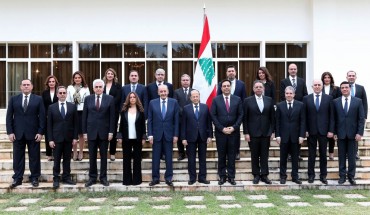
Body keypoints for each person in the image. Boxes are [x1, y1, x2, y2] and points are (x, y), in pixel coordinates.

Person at [6, 79, 46, 188]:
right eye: (24, 85)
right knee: (18, 157)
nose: (26, 86)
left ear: (32, 86)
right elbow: (9, 117)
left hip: (34, 134)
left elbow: (42, 117)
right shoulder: (14, 99)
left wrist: (40, 132)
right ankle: (18, 178)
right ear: (21, 87)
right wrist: (10, 132)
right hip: (17, 133)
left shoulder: (38, 99)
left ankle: (34, 177)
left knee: (34, 157)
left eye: (28, 85)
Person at [82, 79, 115, 187]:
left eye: (100, 87)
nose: (98, 89)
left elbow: (112, 117)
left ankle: (103, 178)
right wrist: (84, 132)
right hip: (91, 132)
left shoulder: (109, 99)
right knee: (92, 156)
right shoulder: (88, 99)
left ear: (103, 87)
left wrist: (111, 132)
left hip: (104, 132)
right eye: (96, 87)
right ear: (93, 88)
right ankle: (92, 178)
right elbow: (84, 117)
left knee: (104, 156)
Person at [211, 79, 243, 186]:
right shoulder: (216, 100)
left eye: (227, 86)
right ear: (221, 88)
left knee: (232, 156)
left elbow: (240, 115)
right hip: (221, 133)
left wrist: (234, 127)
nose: (226, 88)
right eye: (224, 86)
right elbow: (213, 116)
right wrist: (221, 128)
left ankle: (231, 177)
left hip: (234, 133)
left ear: (230, 87)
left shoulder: (237, 99)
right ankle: (222, 177)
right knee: (221, 156)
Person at [243, 80, 275, 184]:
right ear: (253, 89)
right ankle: (256, 175)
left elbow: (272, 118)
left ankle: (265, 175)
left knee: (265, 155)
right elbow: (245, 118)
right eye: (256, 87)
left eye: (260, 87)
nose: (258, 89)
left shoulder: (269, 100)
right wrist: (246, 133)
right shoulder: (247, 101)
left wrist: (272, 131)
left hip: (266, 133)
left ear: (263, 88)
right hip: (253, 134)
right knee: (255, 155)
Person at [333, 81, 365, 185]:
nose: (344, 89)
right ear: (340, 89)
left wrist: (359, 133)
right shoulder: (336, 102)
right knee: (341, 156)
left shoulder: (358, 101)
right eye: (342, 88)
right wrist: (334, 132)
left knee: (352, 157)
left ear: (349, 88)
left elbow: (361, 119)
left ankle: (351, 177)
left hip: (353, 134)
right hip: (340, 133)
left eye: (346, 87)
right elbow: (334, 119)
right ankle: (342, 177)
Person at [303, 79, 334, 184]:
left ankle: (323, 176)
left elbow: (331, 116)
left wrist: (331, 130)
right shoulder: (306, 98)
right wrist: (305, 130)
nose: (317, 86)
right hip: (311, 131)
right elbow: (304, 117)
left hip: (324, 131)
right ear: (312, 87)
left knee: (323, 155)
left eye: (319, 85)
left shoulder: (329, 98)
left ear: (322, 86)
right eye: (315, 85)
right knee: (311, 155)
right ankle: (311, 175)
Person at [147, 84, 179, 186]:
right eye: (161, 91)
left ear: (168, 92)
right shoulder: (152, 103)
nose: (163, 93)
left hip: (169, 135)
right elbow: (150, 120)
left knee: (169, 158)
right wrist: (150, 134)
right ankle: (155, 178)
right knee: (155, 158)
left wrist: (176, 135)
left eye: (165, 91)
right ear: (158, 92)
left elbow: (176, 121)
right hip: (156, 135)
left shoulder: (174, 102)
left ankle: (168, 178)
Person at [47, 86, 78, 189]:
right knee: (56, 160)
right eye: (60, 93)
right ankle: (56, 179)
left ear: (67, 94)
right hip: (56, 139)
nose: (62, 94)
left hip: (69, 138)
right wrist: (50, 139)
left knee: (67, 160)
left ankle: (66, 177)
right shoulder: (52, 107)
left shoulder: (72, 107)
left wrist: (75, 138)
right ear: (57, 94)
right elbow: (49, 125)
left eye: (64, 93)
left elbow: (75, 124)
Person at [182, 89, 213, 185]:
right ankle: (192, 178)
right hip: (190, 137)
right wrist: (183, 138)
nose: (195, 98)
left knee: (202, 158)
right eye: (193, 97)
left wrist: (210, 136)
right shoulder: (186, 108)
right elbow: (183, 124)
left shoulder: (205, 107)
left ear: (199, 97)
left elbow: (209, 122)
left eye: (197, 96)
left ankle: (202, 178)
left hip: (203, 137)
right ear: (190, 98)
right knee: (191, 159)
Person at [275, 86, 306, 184]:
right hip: (283, 136)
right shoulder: (279, 106)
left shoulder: (300, 105)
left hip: (296, 137)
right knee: (283, 158)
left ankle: (295, 176)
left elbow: (303, 121)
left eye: (290, 93)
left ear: (294, 94)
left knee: (295, 158)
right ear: (284, 94)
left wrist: (302, 135)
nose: (288, 95)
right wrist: (278, 135)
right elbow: (277, 122)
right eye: (287, 93)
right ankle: (283, 176)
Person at [217, 65, 246, 160]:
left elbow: (243, 98)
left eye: (232, 71)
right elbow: (218, 97)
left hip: (236, 114)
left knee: (236, 134)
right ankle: (225, 152)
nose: (231, 72)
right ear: (226, 73)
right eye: (229, 71)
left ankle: (236, 151)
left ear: (235, 72)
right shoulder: (222, 84)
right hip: (224, 113)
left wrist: (242, 113)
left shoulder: (241, 84)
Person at [280, 63, 308, 161]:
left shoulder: (301, 81)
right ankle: (288, 154)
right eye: (291, 69)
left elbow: (305, 94)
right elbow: (282, 95)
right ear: (288, 70)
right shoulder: (284, 81)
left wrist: (301, 106)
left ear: (297, 70)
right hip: (288, 107)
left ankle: (297, 154)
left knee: (297, 132)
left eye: (294, 69)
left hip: (299, 108)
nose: (293, 70)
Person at [117, 92, 146, 185]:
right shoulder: (124, 110)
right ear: (128, 99)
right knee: (126, 159)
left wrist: (143, 137)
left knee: (137, 159)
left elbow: (143, 126)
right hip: (126, 138)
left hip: (137, 138)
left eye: (134, 97)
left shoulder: (141, 111)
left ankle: (137, 180)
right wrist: (120, 136)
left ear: (136, 99)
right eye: (131, 97)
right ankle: (127, 180)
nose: (132, 99)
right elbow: (121, 125)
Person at [66, 71, 90, 161]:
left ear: (82, 78)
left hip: (82, 112)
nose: (77, 79)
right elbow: (68, 100)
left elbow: (88, 101)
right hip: (72, 111)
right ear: (73, 79)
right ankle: (74, 151)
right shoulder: (70, 88)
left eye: (79, 78)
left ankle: (80, 152)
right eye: (75, 78)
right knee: (73, 133)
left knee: (81, 133)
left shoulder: (85, 88)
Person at [346, 71, 368, 160]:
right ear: (346, 77)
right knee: (346, 135)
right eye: (349, 76)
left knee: (356, 135)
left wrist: (365, 116)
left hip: (357, 116)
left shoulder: (361, 88)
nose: (351, 77)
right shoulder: (343, 87)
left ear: (356, 77)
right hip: (346, 115)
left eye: (353, 76)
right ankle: (346, 153)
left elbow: (365, 103)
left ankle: (355, 153)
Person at [103, 68, 122, 161]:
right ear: (106, 75)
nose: (110, 75)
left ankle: (112, 153)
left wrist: (109, 104)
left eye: (112, 74)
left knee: (113, 131)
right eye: (108, 73)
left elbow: (118, 98)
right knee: (104, 131)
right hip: (102, 112)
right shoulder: (102, 85)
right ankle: (104, 151)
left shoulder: (118, 86)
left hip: (114, 111)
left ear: (114, 76)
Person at [321, 71, 341, 160]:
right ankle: (323, 152)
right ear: (323, 79)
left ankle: (331, 153)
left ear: (331, 79)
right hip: (322, 113)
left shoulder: (336, 89)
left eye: (328, 77)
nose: (327, 79)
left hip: (333, 112)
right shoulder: (320, 88)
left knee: (332, 134)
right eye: (325, 77)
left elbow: (339, 100)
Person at [174, 74, 192, 160]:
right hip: (180, 118)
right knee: (180, 136)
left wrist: (189, 113)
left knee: (190, 135)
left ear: (190, 81)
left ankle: (189, 152)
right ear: (181, 82)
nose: (185, 82)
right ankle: (181, 153)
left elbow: (196, 103)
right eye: (183, 80)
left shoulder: (194, 91)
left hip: (191, 119)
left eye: (187, 80)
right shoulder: (176, 92)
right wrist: (184, 112)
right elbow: (175, 104)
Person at [41, 75, 59, 161]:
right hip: (47, 117)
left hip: (57, 116)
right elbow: (42, 105)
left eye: (53, 81)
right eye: (50, 82)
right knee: (48, 135)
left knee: (57, 134)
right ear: (47, 83)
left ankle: (57, 153)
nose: (51, 83)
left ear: (56, 83)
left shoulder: (59, 92)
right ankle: (49, 154)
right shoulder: (44, 93)